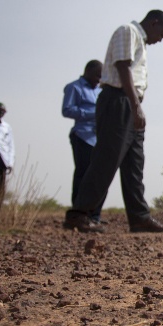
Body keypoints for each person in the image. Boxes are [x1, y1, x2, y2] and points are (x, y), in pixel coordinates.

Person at [63, 10, 163, 233]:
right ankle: (79, 214)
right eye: (161, 34)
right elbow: (123, 67)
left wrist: (136, 106)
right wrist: (135, 105)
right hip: (119, 101)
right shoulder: (128, 31)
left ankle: (139, 217)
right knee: (106, 160)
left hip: (130, 103)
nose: (160, 40)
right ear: (153, 23)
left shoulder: (139, 40)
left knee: (134, 163)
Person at [62, 59, 105, 223]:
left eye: (101, 77)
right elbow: (67, 110)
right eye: (97, 75)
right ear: (87, 71)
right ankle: (78, 214)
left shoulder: (99, 90)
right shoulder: (74, 87)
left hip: (99, 138)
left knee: (99, 176)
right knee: (83, 174)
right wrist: (93, 114)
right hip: (82, 135)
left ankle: (94, 215)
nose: (98, 80)